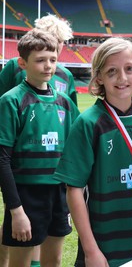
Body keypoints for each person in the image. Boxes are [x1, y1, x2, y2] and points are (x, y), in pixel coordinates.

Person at [54, 37, 132, 267]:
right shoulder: (88, 124)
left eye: (129, 69)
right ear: (99, 77)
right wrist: (91, 251)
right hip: (102, 248)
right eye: (112, 71)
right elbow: (74, 190)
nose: (122, 78)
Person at [0, 29, 80, 267]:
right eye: (40, 60)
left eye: (53, 59)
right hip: (26, 195)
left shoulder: (64, 103)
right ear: (22, 63)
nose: (48, 66)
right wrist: (15, 210)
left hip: (59, 193)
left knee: (53, 260)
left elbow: (77, 150)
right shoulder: (11, 101)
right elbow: (2, 160)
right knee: (20, 263)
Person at [0, 13, 77, 105]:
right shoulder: (15, 65)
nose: (54, 44)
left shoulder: (66, 75)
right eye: (49, 39)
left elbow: (71, 113)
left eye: (59, 40)